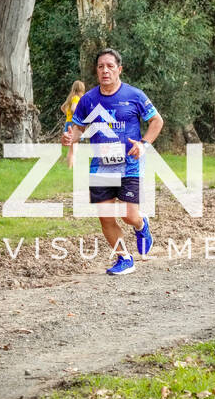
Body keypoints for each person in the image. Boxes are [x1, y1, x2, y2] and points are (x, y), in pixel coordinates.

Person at [62, 48, 163, 275]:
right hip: (101, 166)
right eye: (100, 67)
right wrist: (71, 137)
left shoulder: (134, 95)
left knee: (129, 215)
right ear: (96, 71)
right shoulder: (88, 100)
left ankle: (141, 224)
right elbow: (79, 129)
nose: (105, 70)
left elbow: (157, 121)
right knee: (106, 218)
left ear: (119, 69)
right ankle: (124, 259)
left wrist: (143, 144)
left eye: (110, 66)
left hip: (129, 164)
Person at [61, 80, 85, 168]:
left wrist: (69, 116)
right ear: (81, 89)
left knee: (72, 148)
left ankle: (70, 167)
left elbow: (62, 107)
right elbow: (73, 109)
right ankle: (71, 167)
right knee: (73, 149)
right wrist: (78, 117)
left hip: (69, 122)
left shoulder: (70, 97)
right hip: (74, 124)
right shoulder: (76, 98)